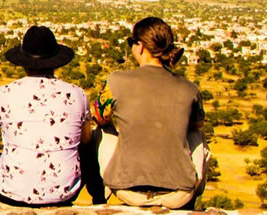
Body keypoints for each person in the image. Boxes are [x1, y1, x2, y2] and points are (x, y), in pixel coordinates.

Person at [85, 17, 208, 209]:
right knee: (196, 135)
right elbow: (198, 124)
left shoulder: (116, 81)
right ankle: (191, 200)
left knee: (101, 131)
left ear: (140, 46)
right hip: (179, 194)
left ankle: (100, 198)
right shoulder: (189, 89)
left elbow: (99, 117)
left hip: (128, 190)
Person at [0, 26, 88, 207]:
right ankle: (97, 198)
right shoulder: (78, 94)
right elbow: (86, 142)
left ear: (23, 62)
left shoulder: (6, 92)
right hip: (65, 192)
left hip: (12, 191)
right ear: (56, 61)